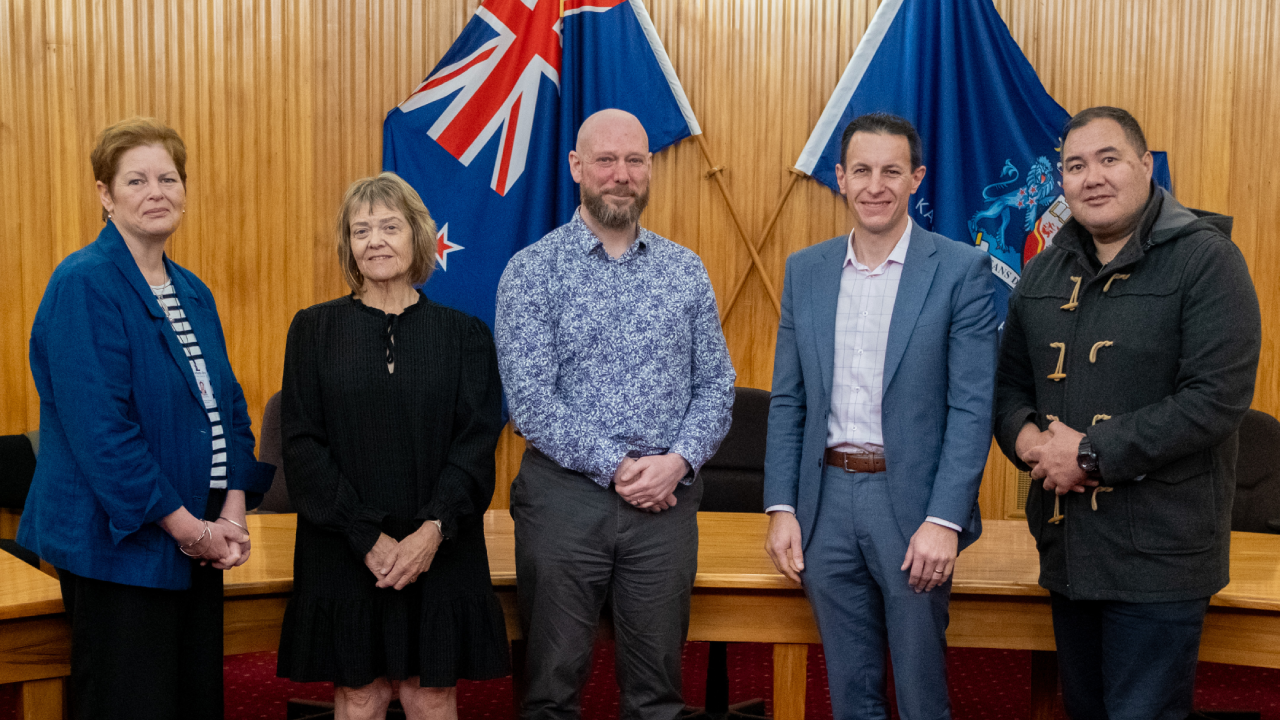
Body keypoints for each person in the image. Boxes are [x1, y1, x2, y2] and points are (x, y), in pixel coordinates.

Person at [994, 106, 1261, 720]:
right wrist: (1032, 443)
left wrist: (1089, 453)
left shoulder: (1208, 260)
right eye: (1075, 165)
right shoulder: (1041, 269)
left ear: (1146, 165)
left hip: (1161, 557)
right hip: (1068, 550)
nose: (1092, 177)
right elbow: (1008, 386)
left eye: (1109, 159)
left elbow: (1214, 399)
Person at [18, 117, 274, 720]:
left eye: (168, 178)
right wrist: (193, 532)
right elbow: (103, 435)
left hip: (198, 541)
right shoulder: (84, 283)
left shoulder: (192, 290)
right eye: (135, 180)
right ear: (105, 195)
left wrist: (231, 511)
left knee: (191, 702)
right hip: (122, 549)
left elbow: (228, 407)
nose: (156, 191)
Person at [494, 108, 735, 720]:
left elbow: (716, 385)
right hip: (564, 500)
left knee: (658, 696)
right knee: (550, 691)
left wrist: (675, 463)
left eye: (634, 160)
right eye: (606, 160)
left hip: (666, 503)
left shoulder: (685, 270)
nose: (620, 174)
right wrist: (620, 467)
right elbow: (530, 401)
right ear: (578, 167)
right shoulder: (531, 271)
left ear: (649, 168)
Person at [763, 113, 998, 720]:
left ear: (916, 178)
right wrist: (781, 508)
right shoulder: (805, 271)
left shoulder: (959, 271)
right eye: (861, 170)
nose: (876, 185)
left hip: (913, 506)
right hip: (825, 506)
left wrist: (944, 519)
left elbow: (972, 407)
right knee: (851, 695)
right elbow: (789, 401)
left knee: (921, 697)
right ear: (839, 178)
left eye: (892, 171)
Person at [277, 172, 510, 720]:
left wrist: (431, 530)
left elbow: (476, 445)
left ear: (418, 237)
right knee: (361, 693)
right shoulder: (312, 330)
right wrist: (366, 536)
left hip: (441, 547)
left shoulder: (466, 334)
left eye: (389, 226)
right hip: (342, 548)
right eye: (361, 231)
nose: (375, 240)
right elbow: (302, 443)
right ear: (348, 246)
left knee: (431, 695)